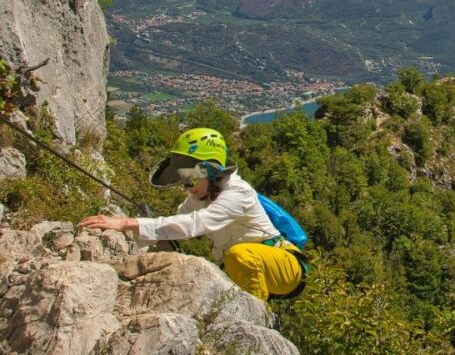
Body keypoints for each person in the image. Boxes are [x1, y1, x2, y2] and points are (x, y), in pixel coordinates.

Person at [79, 127, 307, 301]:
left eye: (191, 181)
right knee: (233, 259)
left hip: (285, 265)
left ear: (211, 171)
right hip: (249, 266)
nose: (187, 189)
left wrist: (126, 223)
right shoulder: (196, 200)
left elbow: (196, 224)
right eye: (184, 183)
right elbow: (176, 226)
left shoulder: (238, 192)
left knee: (238, 255)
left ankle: (259, 318)